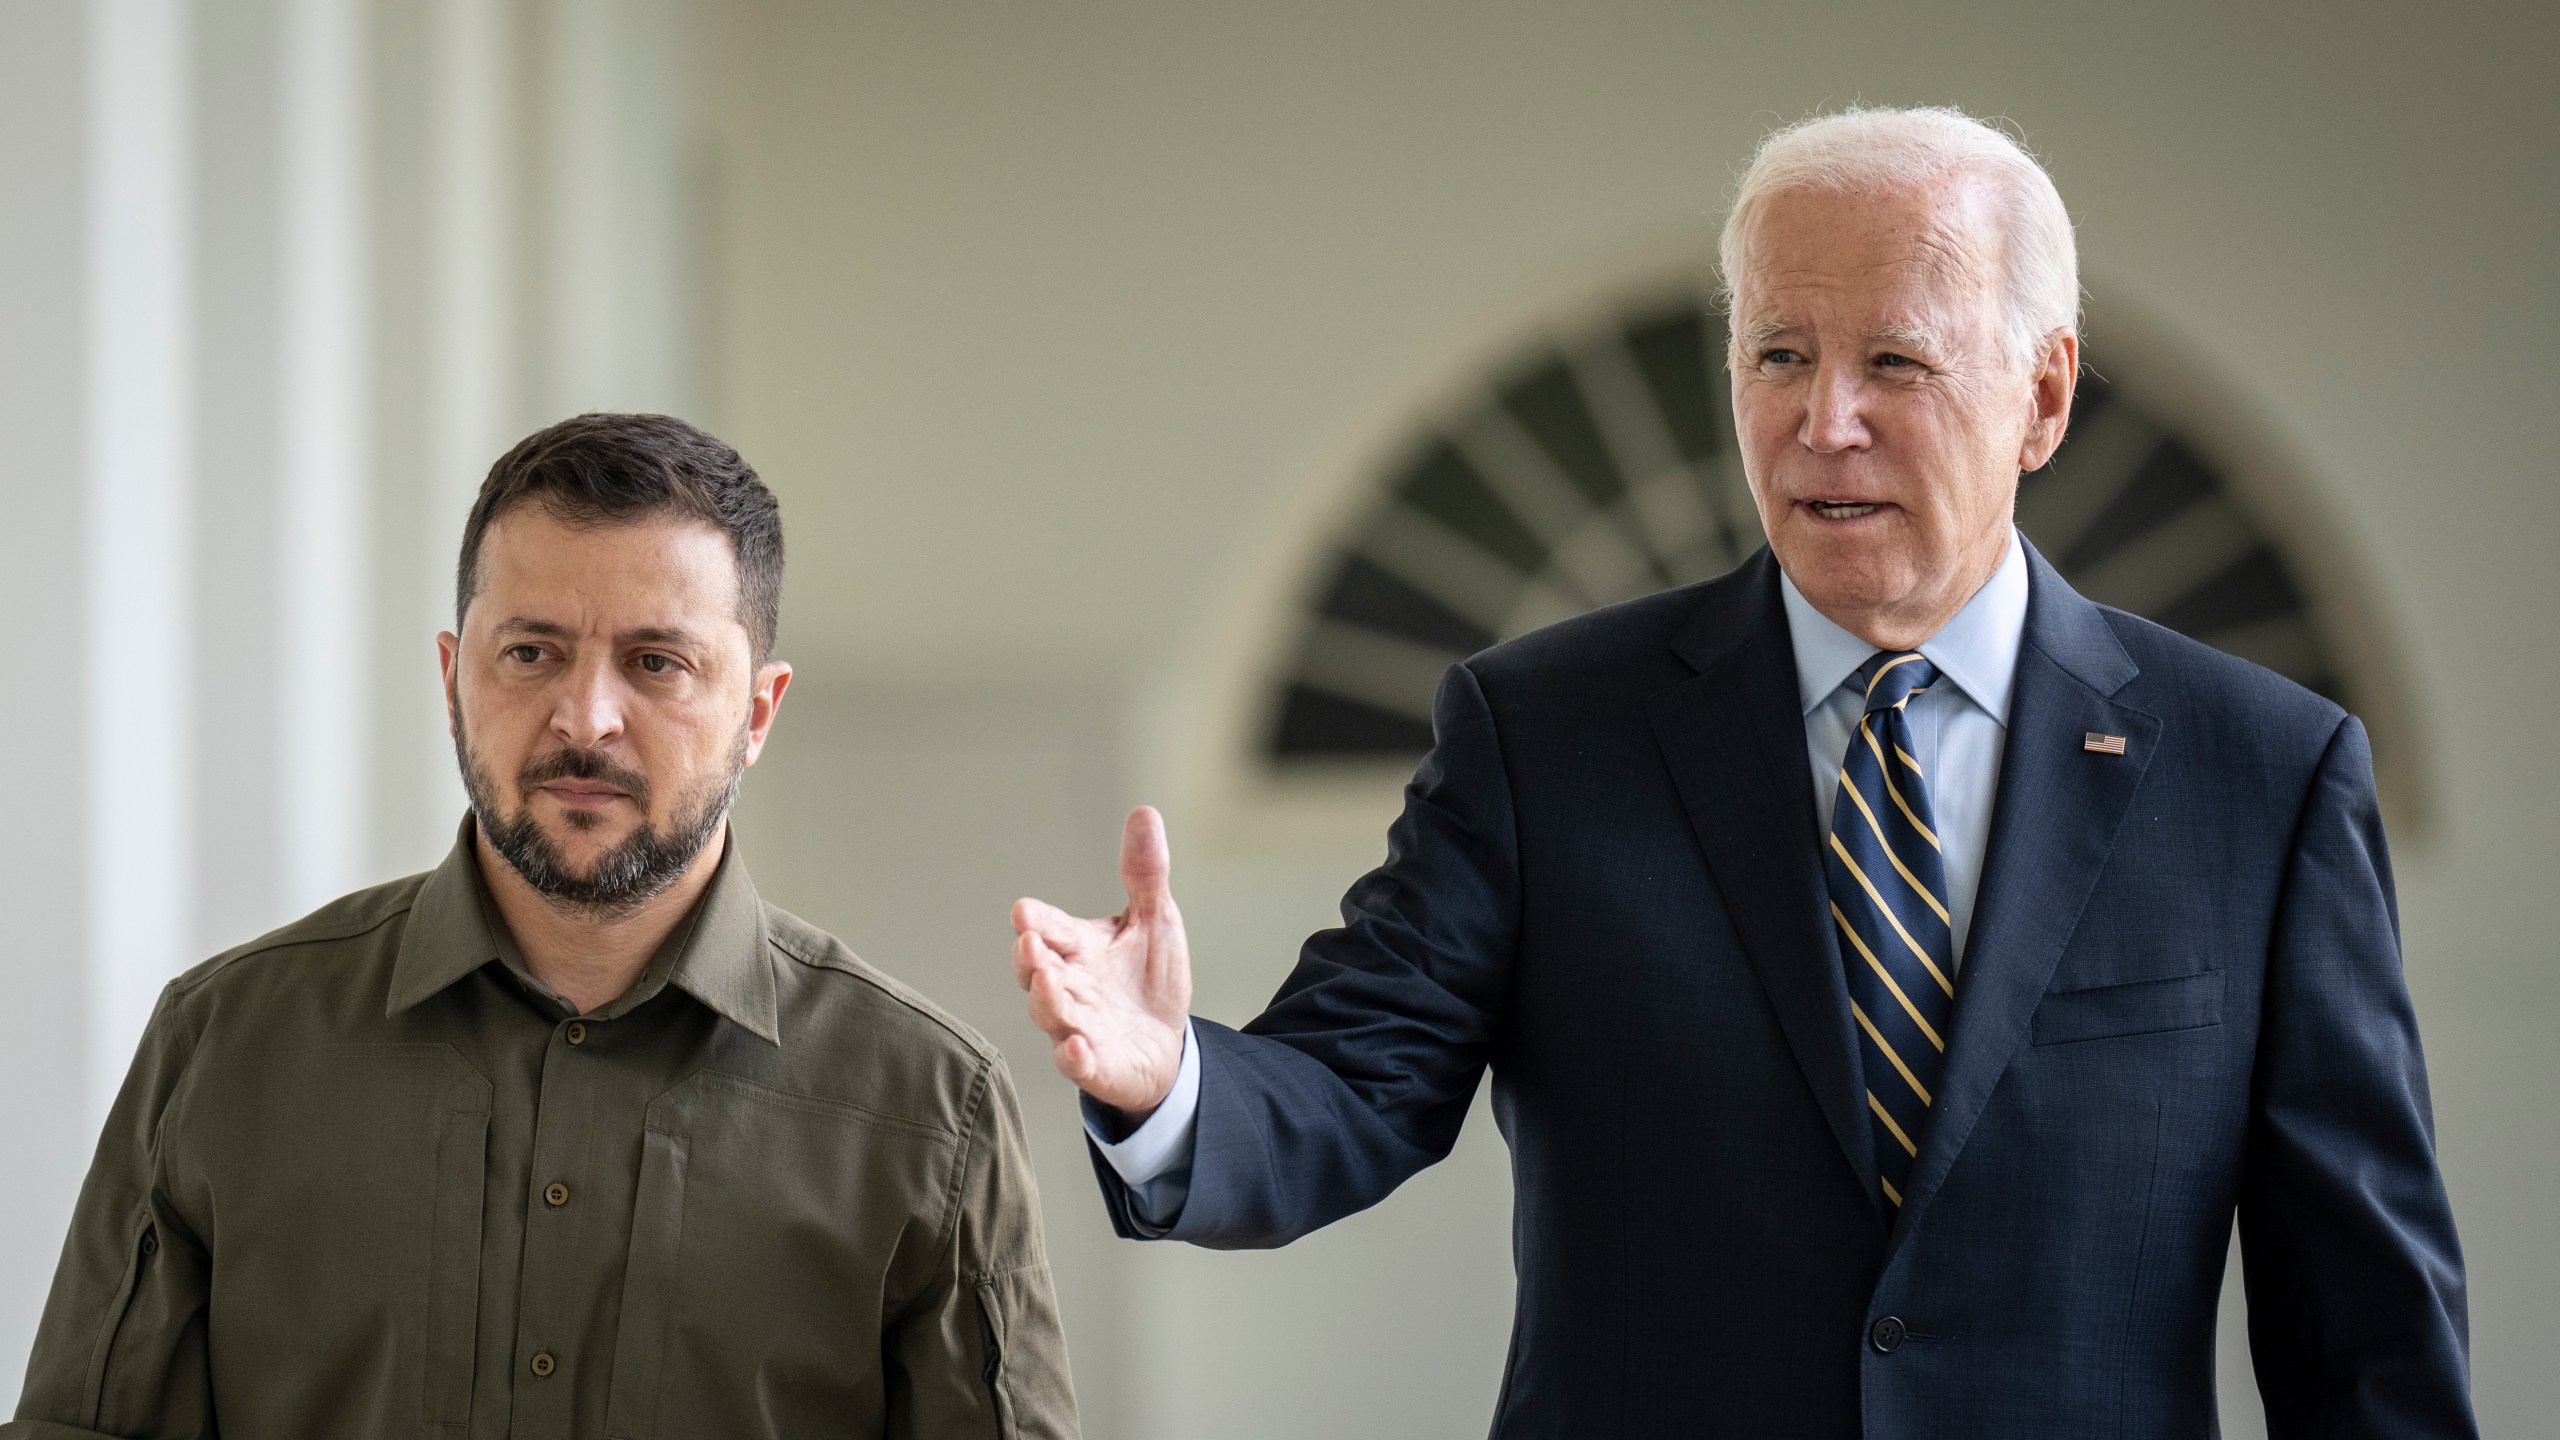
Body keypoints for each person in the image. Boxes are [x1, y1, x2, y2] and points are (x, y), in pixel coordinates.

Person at [1011, 107, 2474, 1436]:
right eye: (1779, 355)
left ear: (2043, 395)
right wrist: (1174, 1084)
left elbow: (2365, 1327)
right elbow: (1355, 1081)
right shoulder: (1545, 733)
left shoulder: (2260, 778)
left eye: (1895, 360)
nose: (1823, 420)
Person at [12, 414, 1078, 1440]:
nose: (585, 719)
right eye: (530, 653)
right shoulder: (224, 1044)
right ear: (451, 680)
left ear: (757, 712)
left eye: (657, 662)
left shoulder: (933, 1109)